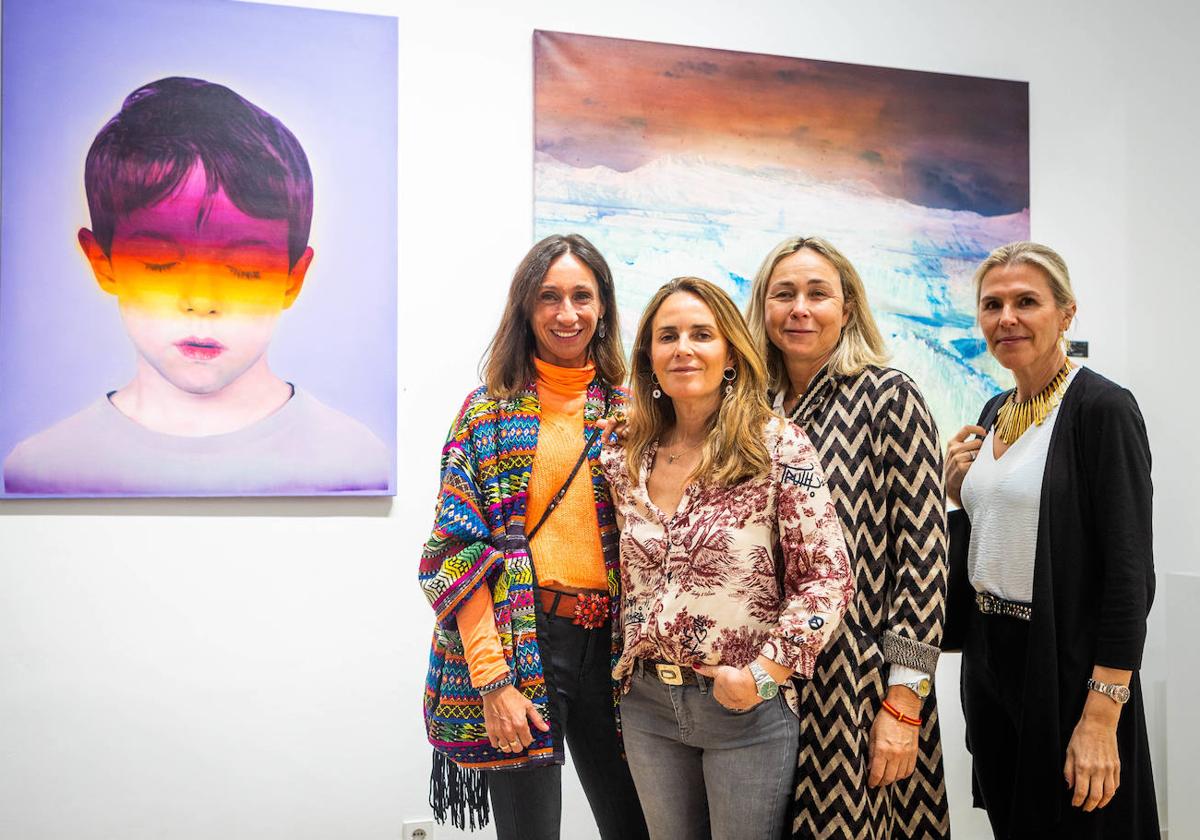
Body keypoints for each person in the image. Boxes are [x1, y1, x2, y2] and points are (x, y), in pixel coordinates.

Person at [1, 77, 388, 496]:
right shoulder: (42, 468)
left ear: (294, 278)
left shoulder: (356, 461)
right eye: (159, 263)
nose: (201, 302)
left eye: (245, 269)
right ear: (102, 262)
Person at [600, 276, 853, 840]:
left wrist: (766, 674)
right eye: (668, 336)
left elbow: (828, 577)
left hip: (743, 708)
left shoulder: (777, 444)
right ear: (649, 359)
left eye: (701, 334)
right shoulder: (622, 452)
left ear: (731, 354)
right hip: (646, 705)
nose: (683, 348)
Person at [418, 234, 648, 840]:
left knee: (638, 825)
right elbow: (455, 553)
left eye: (581, 296)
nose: (566, 313)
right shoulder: (486, 414)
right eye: (549, 297)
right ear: (525, 307)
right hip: (524, 640)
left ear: (604, 308)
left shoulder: (636, 414)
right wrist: (493, 681)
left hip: (618, 649)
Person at [944, 241, 1158, 839]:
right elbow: (994, 535)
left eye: (1026, 302)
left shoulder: (1102, 408)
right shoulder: (994, 410)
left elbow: (1129, 574)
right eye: (992, 305)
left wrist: (1100, 715)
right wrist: (960, 493)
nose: (1006, 318)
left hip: (1066, 662)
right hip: (993, 657)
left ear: (1065, 313)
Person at [745, 235, 949, 839]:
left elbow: (925, 560)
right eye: (784, 294)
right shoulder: (748, 407)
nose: (799, 308)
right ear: (763, 307)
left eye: (817, 293)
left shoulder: (889, 396)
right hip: (757, 677)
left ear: (848, 308)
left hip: (855, 686)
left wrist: (903, 703)